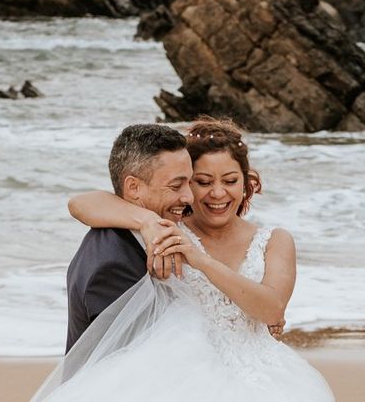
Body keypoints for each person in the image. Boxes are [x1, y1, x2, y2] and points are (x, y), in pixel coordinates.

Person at [33, 118, 333, 402]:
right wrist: (147, 220)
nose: (217, 193)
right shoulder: (167, 227)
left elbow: (271, 310)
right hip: (185, 370)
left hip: (262, 371)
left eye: (230, 180)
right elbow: (81, 203)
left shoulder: (274, 240)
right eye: (201, 182)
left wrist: (200, 260)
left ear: (246, 183)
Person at [64, 123, 193, 352]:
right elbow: (130, 366)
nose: (189, 197)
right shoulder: (113, 266)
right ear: (134, 187)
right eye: (176, 185)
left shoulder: (156, 230)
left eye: (191, 182)